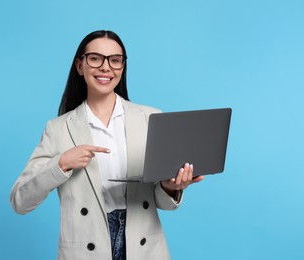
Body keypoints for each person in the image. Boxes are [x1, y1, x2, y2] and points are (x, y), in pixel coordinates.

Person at [10, 30, 204, 260]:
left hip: (144, 247)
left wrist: (171, 187)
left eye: (115, 60)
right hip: (84, 250)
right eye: (95, 58)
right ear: (80, 66)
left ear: (122, 67)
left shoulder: (150, 118)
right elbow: (20, 201)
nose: (105, 67)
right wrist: (60, 164)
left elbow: (163, 204)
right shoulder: (58, 128)